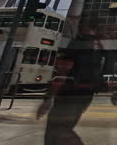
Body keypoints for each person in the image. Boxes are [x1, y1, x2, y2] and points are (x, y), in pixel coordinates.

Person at [36, 16, 112, 145]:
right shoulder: (98, 45)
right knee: (63, 130)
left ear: (82, 26)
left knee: (55, 132)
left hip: (69, 94)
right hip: (86, 95)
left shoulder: (79, 43)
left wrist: (48, 99)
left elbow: (63, 72)